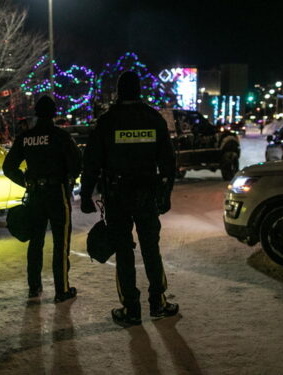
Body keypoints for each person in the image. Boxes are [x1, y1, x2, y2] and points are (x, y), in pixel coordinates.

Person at [80, 71, 179, 326]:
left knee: (124, 251)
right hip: (147, 193)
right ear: (139, 91)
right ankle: (158, 302)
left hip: (117, 195)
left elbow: (91, 162)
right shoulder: (153, 119)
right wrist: (166, 194)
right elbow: (168, 162)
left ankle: (131, 309)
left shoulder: (107, 121)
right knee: (150, 248)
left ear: (118, 91)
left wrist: (86, 195)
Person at [3, 96, 81, 303]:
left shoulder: (25, 137)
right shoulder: (61, 136)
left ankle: (34, 287)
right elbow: (76, 165)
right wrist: (69, 180)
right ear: (54, 113)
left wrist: (27, 182)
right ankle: (61, 290)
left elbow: (8, 167)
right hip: (57, 194)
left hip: (36, 195)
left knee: (35, 242)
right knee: (60, 243)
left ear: (36, 113)